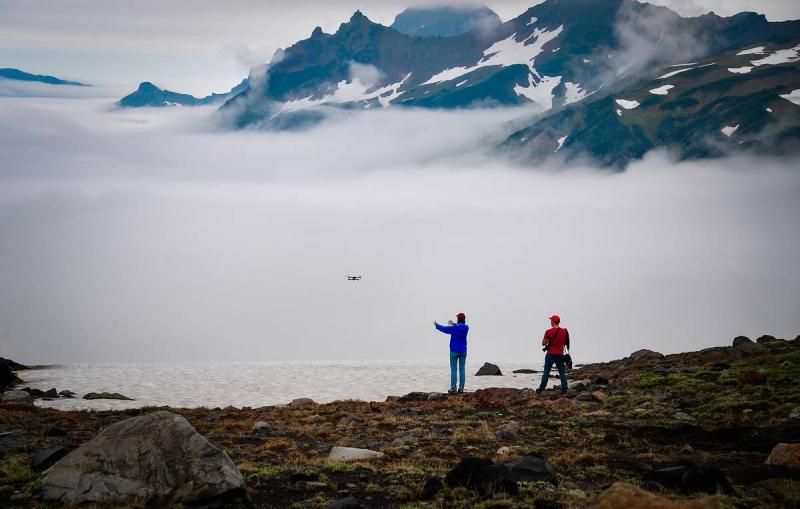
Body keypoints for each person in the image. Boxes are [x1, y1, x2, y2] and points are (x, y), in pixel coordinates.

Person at [434, 312, 469, 394]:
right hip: (463, 351)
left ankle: (453, 388)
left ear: (458, 319)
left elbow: (445, 329)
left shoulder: (454, 328)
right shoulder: (466, 327)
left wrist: (437, 325)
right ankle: (461, 388)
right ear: (464, 319)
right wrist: (454, 324)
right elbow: (460, 327)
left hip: (454, 351)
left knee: (454, 370)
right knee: (462, 369)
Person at [535, 314, 570, 395]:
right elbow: (565, 342)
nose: (550, 321)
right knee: (562, 372)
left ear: (553, 321)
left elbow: (543, 343)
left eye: (551, 320)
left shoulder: (548, 332)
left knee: (546, 372)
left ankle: (541, 388)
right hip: (560, 354)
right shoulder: (564, 331)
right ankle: (565, 388)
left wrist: (548, 341)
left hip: (550, 354)